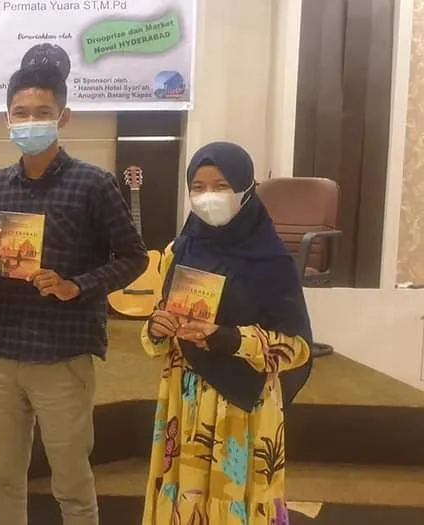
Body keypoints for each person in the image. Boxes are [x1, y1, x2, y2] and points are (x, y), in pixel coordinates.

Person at [0, 64, 148, 525]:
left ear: (63, 117)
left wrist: (77, 286)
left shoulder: (94, 183)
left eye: (42, 112)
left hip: (63, 351)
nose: (30, 121)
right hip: (2, 350)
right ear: (7, 118)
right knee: (3, 478)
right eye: (21, 113)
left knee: (70, 482)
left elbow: (135, 257)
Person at [141, 142, 313, 525]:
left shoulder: (273, 262)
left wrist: (232, 339)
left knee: (232, 501)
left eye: (221, 186)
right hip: (184, 399)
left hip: (242, 408)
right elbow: (159, 321)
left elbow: (298, 347)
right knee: (183, 497)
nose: (208, 196)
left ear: (246, 189)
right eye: (198, 187)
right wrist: (156, 329)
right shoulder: (179, 250)